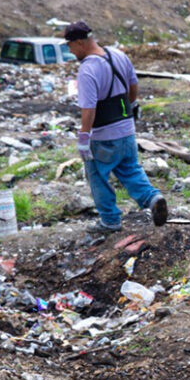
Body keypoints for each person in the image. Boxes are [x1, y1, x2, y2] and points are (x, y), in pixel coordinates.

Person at [65, 21, 167, 233]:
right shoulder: (118, 55)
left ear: (79, 42)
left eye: (70, 45)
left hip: (103, 135)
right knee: (130, 169)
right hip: (126, 129)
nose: (70, 51)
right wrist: (130, 106)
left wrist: (84, 138)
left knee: (97, 175)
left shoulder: (87, 70)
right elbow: (133, 85)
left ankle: (110, 220)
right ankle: (153, 198)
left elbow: (89, 109)